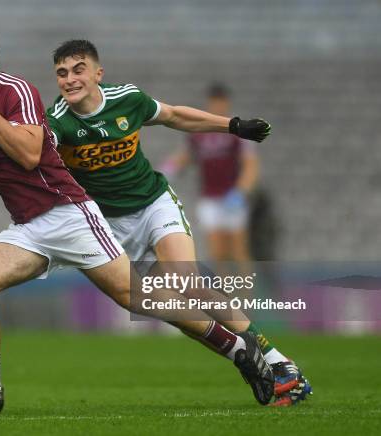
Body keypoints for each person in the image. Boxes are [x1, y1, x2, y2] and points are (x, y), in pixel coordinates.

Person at [0, 24, 276, 414]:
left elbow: (28, 154)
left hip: (68, 213)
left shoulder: (13, 90)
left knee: (139, 298)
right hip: (29, 226)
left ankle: (238, 348)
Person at [46, 40, 311, 407]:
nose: (70, 79)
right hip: (111, 228)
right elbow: (31, 153)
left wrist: (232, 125)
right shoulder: (56, 121)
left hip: (154, 204)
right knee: (171, 308)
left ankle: (280, 363)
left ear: (97, 73)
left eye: (78, 70)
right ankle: (247, 356)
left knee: (187, 282)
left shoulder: (127, 98)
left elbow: (173, 116)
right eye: (62, 73)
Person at [161, 83, 258, 265]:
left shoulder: (239, 131)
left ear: (227, 104)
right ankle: (226, 293)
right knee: (217, 253)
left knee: (238, 252)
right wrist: (168, 170)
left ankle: (246, 294)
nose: (218, 107)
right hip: (210, 198)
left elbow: (250, 165)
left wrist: (241, 191)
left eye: (221, 103)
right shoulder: (200, 130)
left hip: (232, 197)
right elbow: (186, 156)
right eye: (214, 103)